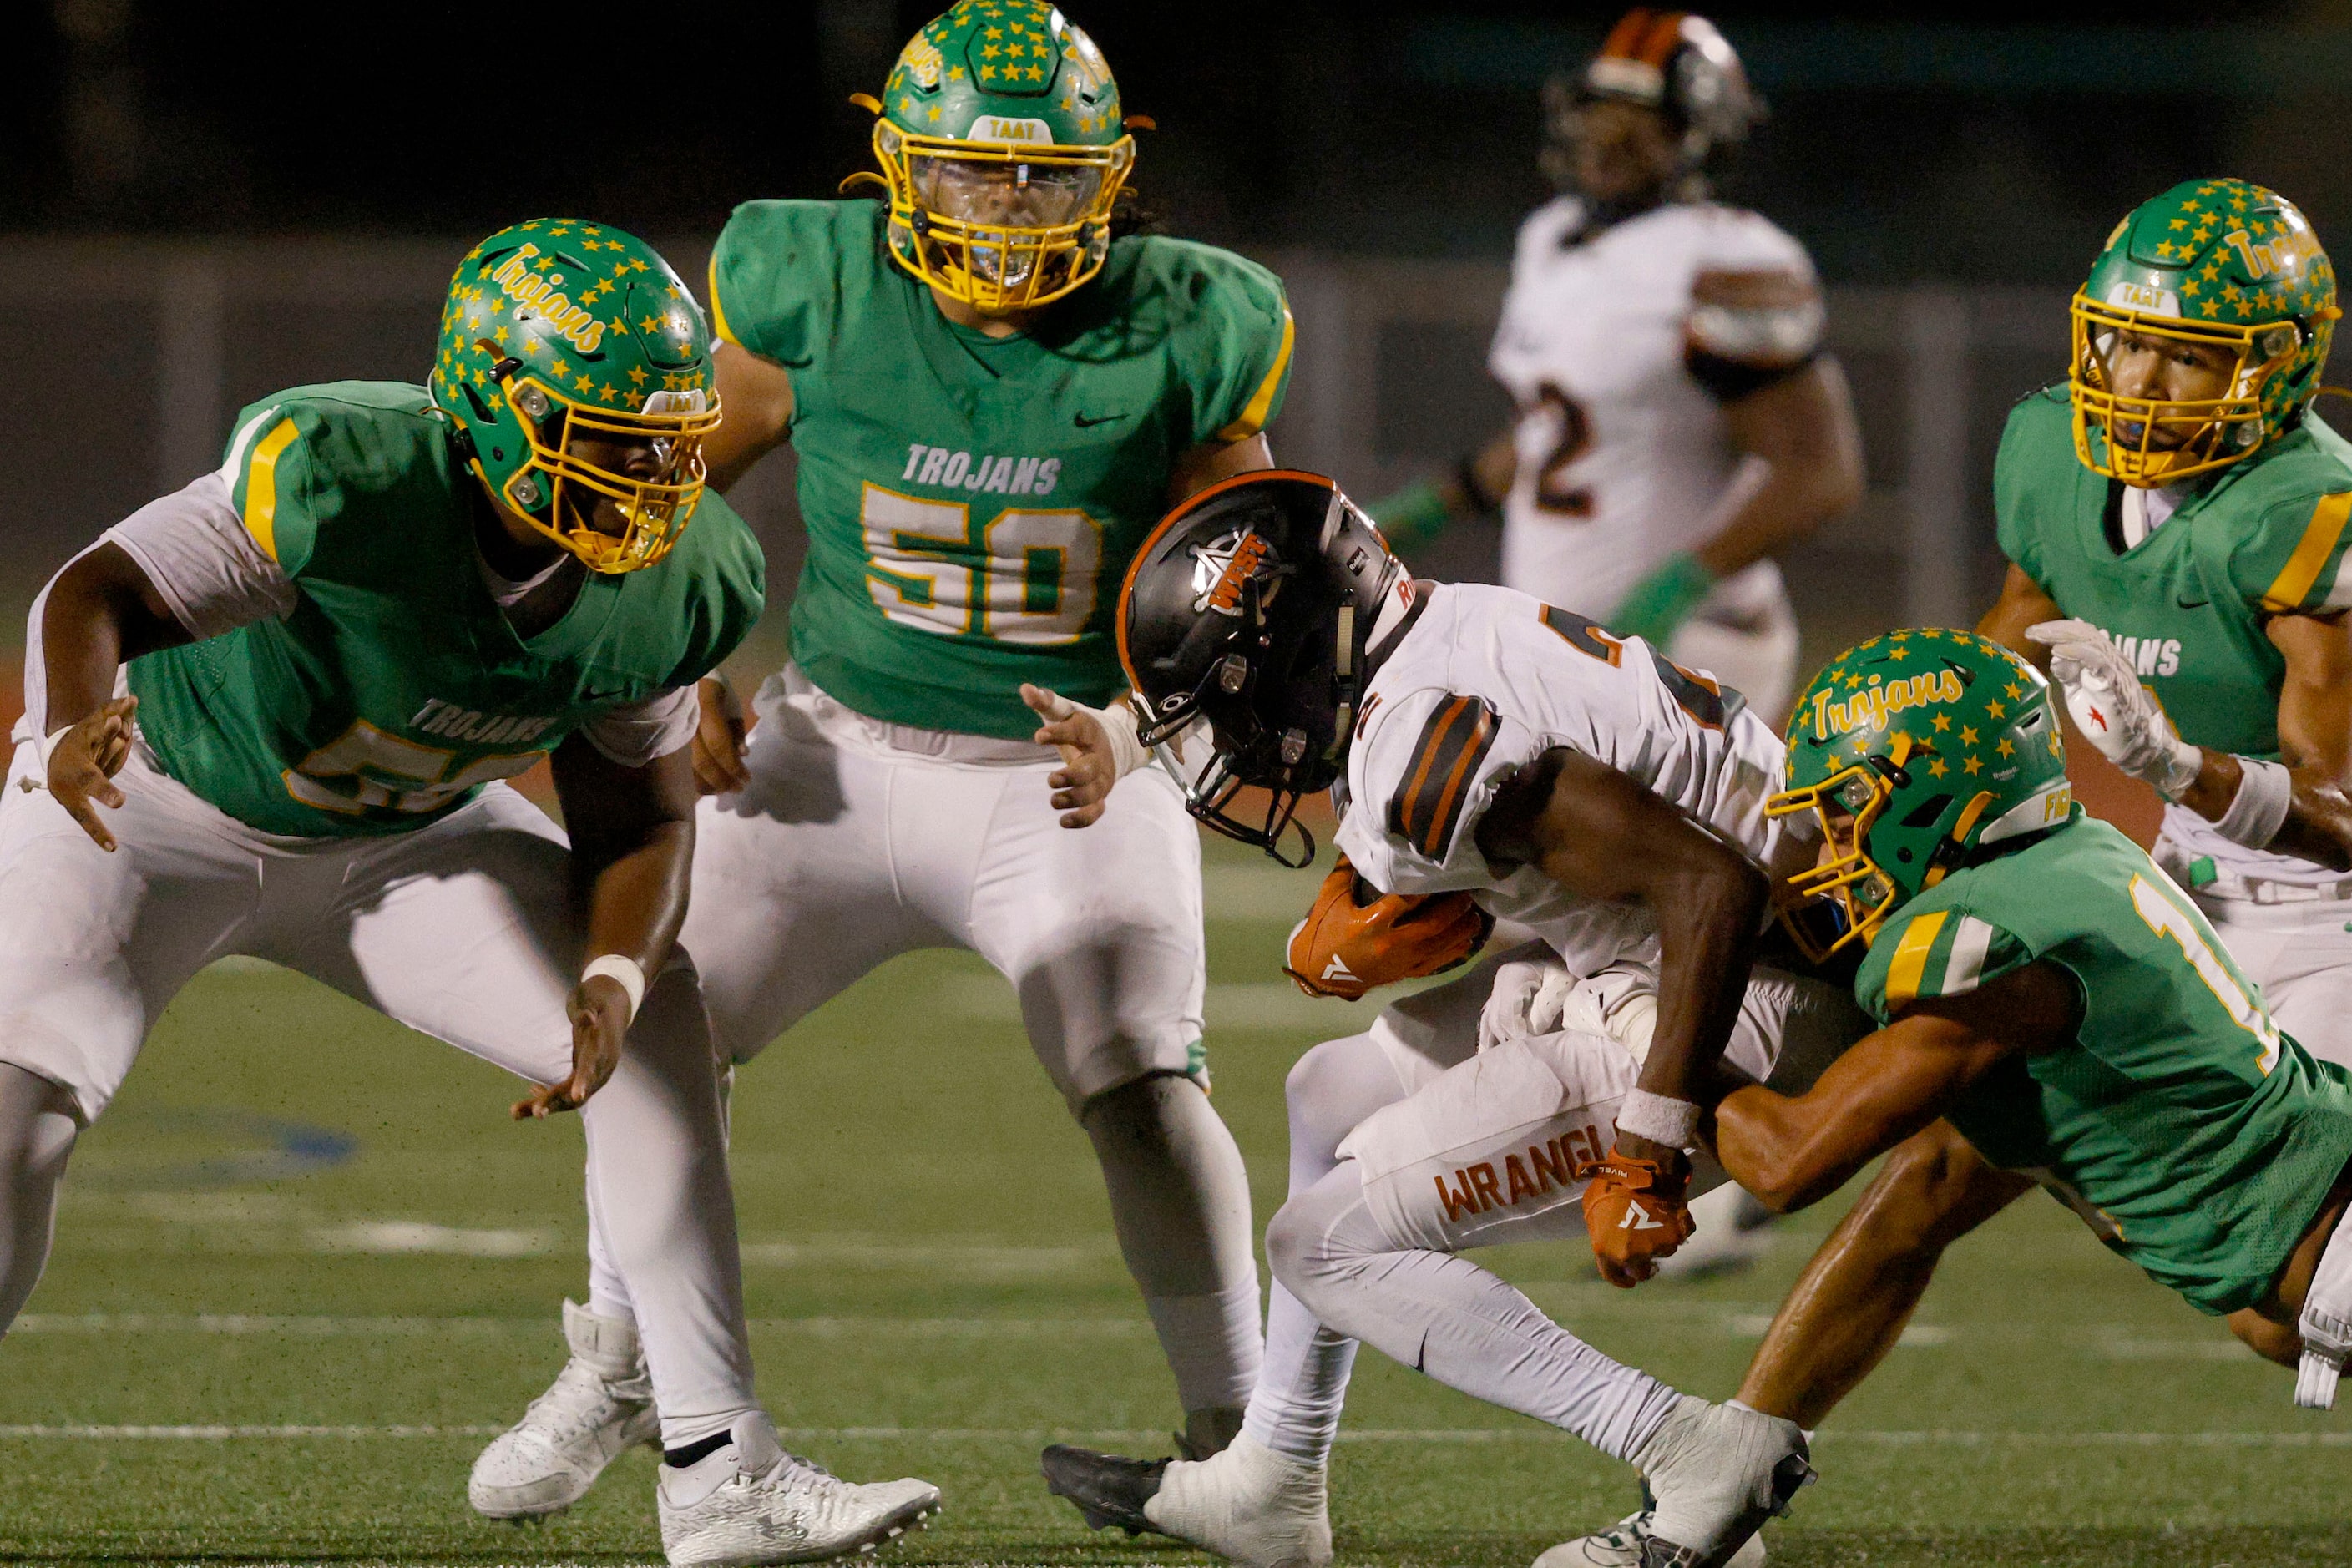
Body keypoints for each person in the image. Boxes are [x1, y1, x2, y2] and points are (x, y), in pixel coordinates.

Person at [0, 220, 941, 1565]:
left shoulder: (681, 578)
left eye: (670, 441)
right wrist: (68, 728)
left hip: (402, 844)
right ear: (494, 403)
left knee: (668, 1022)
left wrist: (612, 979)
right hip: (151, 813)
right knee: (12, 1124)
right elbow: (94, 586)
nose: (655, 479)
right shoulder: (344, 472)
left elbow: (638, 810)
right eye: (614, 439)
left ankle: (718, 1467)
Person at [469, 0, 1292, 1516]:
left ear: (1111, 177)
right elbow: (649, 494)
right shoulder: (813, 284)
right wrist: (680, 664)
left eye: (1049, 179)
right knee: (650, 1029)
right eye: (978, 176)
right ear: (897, 172)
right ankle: (627, 1363)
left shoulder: (1190, 319)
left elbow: (1233, 583)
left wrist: (1132, 727)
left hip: (1061, 775)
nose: (1012, 212)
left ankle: (1244, 1447)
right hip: (824, 757)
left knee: (1139, 1078)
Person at [1039, 470, 1860, 1568]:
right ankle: (1273, 1480)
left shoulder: (1420, 748)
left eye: (1228, 706)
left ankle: (1689, 1450)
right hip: (1691, 952)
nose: (1228, 746)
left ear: (1293, 658)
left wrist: (1648, 1142)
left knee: (1321, 1241)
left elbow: (1711, 886)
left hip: (1744, 997)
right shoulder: (1439, 628)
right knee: (1326, 1094)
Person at [1369, 8, 1864, 1281]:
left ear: (1696, 139)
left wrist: (1675, 579)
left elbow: (1817, 468)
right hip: (1565, 650)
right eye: (1594, 114)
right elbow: (1556, 432)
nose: (1605, 140)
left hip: (1683, 656)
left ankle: (1710, 1163)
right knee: (1564, 925)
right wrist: (1440, 500)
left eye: (1636, 121)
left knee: (1653, 922)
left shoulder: (1726, 259)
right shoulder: (1554, 242)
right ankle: (1643, 1150)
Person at [1616, 630, 2352, 1485]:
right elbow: (1926, 1184)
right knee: (2268, 1321)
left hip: (2339, 1252)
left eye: (1846, 808)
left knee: (2274, 1318)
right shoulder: (2072, 866)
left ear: (1931, 795)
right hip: (2324, 1245)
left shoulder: (1989, 950)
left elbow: (1784, 1161)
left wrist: (1634, 1017)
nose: (1831, 845)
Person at [1975, 178, 2352, 1071]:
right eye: (2126, 340)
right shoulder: (2047, 448)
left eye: (2185, 357)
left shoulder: (2304, 511)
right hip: (2181, 879)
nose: (2139, 382)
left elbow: (2340, 815)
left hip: (2332, 912)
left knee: (2310, 1202)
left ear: (2272, 365)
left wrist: (2174, 766)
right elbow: (2008, 642)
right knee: (1985, 1132)